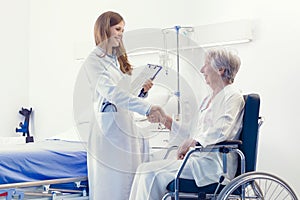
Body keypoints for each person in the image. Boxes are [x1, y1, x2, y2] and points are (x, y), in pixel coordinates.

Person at [129, 48, 245, 200]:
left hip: (214, 167)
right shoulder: (208, 99)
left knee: (150, 173)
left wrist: (193, 142)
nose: (202, 70)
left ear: (221, 70)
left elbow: (221, 130)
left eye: (206, 65)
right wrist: (165, 119)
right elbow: (192, 132)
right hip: (198, 160)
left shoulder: (233, 96)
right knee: (143, 169)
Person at [82, 11, 164, 200]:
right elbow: (111, 92)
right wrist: (147, 108)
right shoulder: (94, 61)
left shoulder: (118, 60)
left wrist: (142, 91)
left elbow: (125, 92)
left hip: (124, 126)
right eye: (117, 29)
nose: (121, 33)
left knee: (129, 183)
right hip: (109, 128)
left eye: (123, 30)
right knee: (113, 186)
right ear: (105, 29)